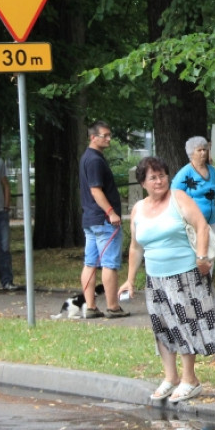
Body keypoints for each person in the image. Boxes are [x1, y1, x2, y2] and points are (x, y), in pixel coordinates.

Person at [119, 157, 215, 403]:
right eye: (153, 177)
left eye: (162, 176)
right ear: (143, 183)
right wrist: (129, 279)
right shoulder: (138, 209)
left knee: (186, 325)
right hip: (156, 279)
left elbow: (201, 226)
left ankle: (190, 379)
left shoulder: (179, 198)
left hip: (186, 274)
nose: (159, 181)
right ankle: (170, 378)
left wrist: (202, 257)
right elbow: (136, 247)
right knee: (163, 328)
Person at [79, 121, 128, 319]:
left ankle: (91, 306)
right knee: (109, 263)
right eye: (104, 135)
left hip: (90, 219)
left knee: (90, 263)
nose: (108, 138)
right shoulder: (95, 161)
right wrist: (111, 212)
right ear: (93, 137)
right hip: (104, 220)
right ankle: (113, 306)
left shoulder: (87, 157)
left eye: (109, 135)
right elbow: (95, 190)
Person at [172, 136, 215, 231]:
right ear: (191, 153)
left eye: (205, 149)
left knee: (213, 246)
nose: (203, 152)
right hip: (193, 223)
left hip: (212, 221)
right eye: (199, 150)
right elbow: (174, 195)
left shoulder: (212, 171)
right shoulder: (185, 173)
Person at [0, 153, 15, 290]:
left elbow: (5, 184)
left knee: (4, 247)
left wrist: (7, 205)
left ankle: (6, 281)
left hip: (0, 211)